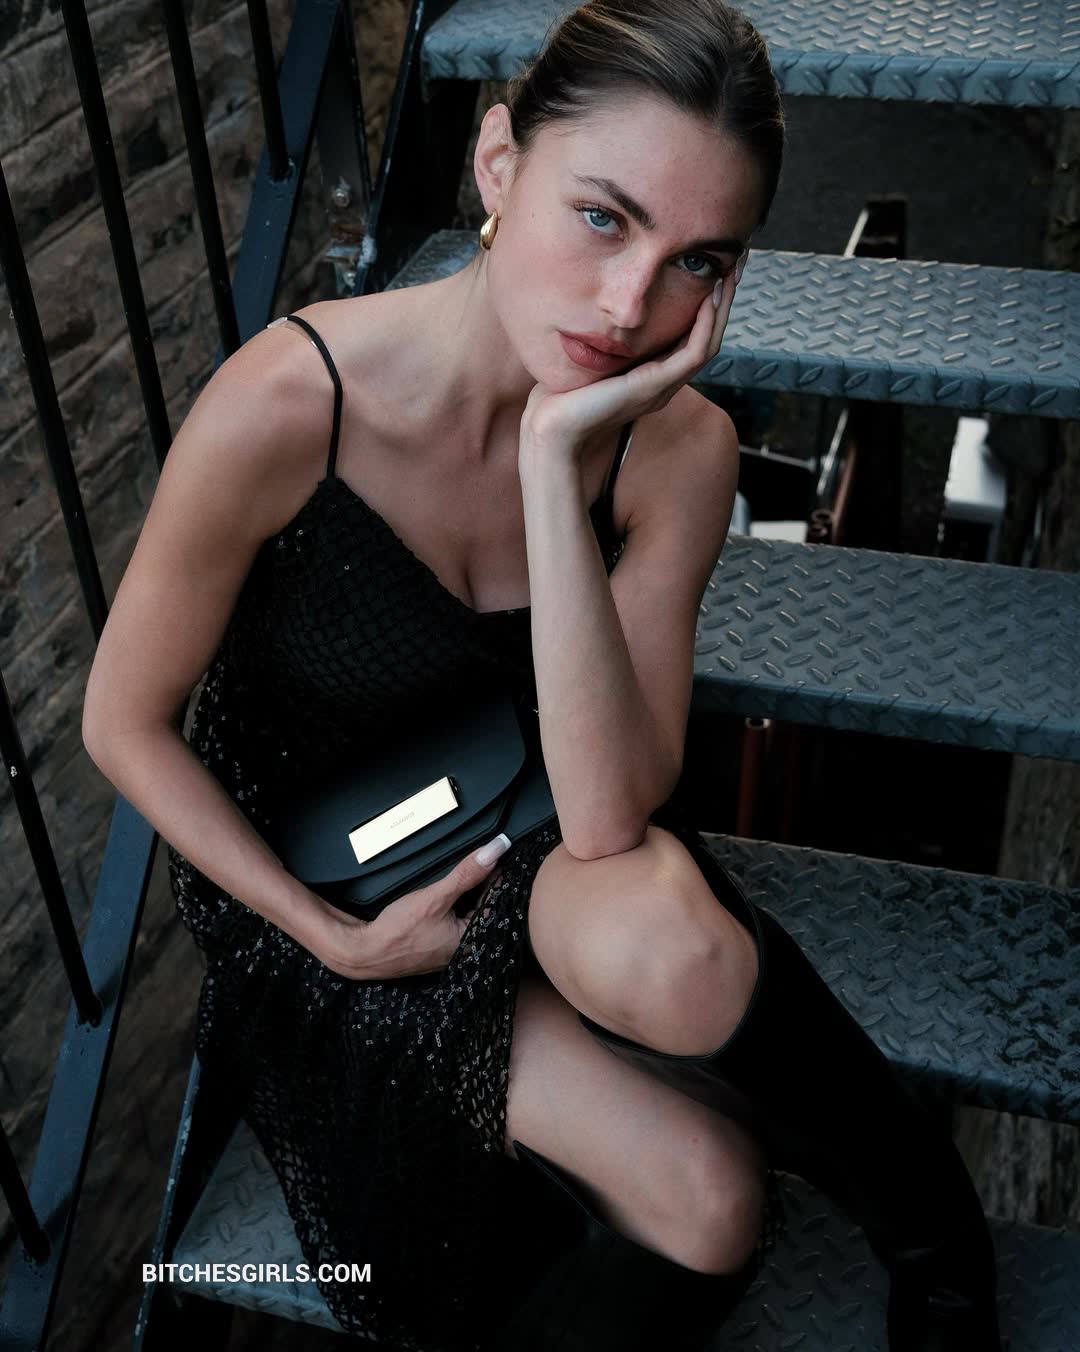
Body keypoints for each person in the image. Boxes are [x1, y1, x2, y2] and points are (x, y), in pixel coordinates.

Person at [82, 2, 1000, 1349]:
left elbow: (611, 812)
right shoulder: (288, 405)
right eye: (603, 218)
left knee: (671, 943)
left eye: (696, 261)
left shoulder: (673, 449)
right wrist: (331, 938)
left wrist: (553, 468)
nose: (631, 307)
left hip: (541, 820)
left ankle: (941, 1245)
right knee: (710, 1202)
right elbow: (122, 721)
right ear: (499, 163)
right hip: (336, 888)